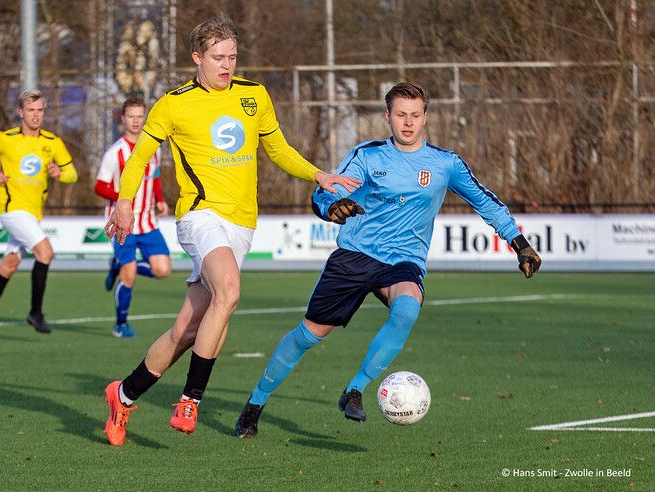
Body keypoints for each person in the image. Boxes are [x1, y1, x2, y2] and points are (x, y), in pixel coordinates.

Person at [101, 15, 361, 445]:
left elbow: (276, 148)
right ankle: (190, 399)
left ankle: (123, 395)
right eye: (218, 57)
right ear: (197, 58)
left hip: (241, 223)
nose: (227, 65)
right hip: (200, 215)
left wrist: (318, 174)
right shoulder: (173, 103)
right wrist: (125, 201)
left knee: (187, 330)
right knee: (231, 292)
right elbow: (140, 157)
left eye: (233, 57)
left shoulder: (253, 95)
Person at [234, 82, 542, 438]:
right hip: (355, 256)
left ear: (425, 117)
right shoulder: (368, 156)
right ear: (387, 117)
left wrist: (519, 244)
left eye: (415, 115)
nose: (407, 123)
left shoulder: (445, 164)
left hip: (402, 262)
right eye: (400, 115)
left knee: (408, 306)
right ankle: (255, 404)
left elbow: (485, 202)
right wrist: (332, 208)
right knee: (308, 336)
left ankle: (355, 389)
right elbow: (324, 192)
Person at [0, 90, 78, 340]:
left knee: (10, 265)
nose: (36, 115)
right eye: (31, 110)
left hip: (33, 213)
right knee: (45, 252)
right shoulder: (6, 139)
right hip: (11, 209)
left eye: (40, 110)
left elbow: (73, 174)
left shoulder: (52, 142)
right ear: (21, 113)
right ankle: (35, 313)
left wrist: (60, 174)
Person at [94, 98, 172, 338]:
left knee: (163, 270)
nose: (136, 121)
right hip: (122, 223)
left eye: (140, 116)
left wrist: (159, 199)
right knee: (129, 276)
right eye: (132, 116)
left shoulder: (154, 148)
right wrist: (124, 197)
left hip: (148, 222)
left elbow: (155, 176)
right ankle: (120, 324)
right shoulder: (115, 153)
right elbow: (99, 186)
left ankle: (118, 266)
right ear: (123, 119)